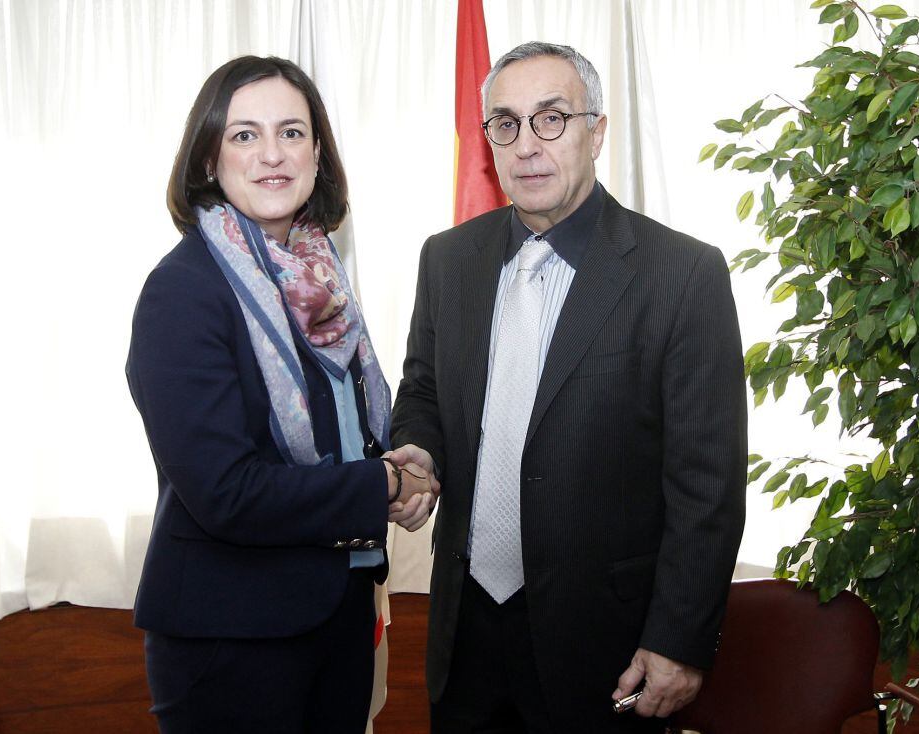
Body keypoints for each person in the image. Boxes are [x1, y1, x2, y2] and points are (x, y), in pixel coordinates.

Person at [389, 42, 746, 733]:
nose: (526, 145)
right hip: (464, 637)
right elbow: (424, 393)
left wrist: (678, 640)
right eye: (506, 123)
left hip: (605, 648)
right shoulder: (448, 259)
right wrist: (420, 452)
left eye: (551, 119)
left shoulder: (682, 275)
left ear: (597, 131)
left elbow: (708, 485)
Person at [126, 55, 436, 733]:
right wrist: (380, 487)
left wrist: (404, 467)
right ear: (209, 157)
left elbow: (346, 432)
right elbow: (226, 491)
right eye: (244, 135)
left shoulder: (317, 279)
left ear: (318, 154)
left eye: (292, 133)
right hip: (231, 638)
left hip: (339, 613)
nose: (272, 154)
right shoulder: (183, 292)